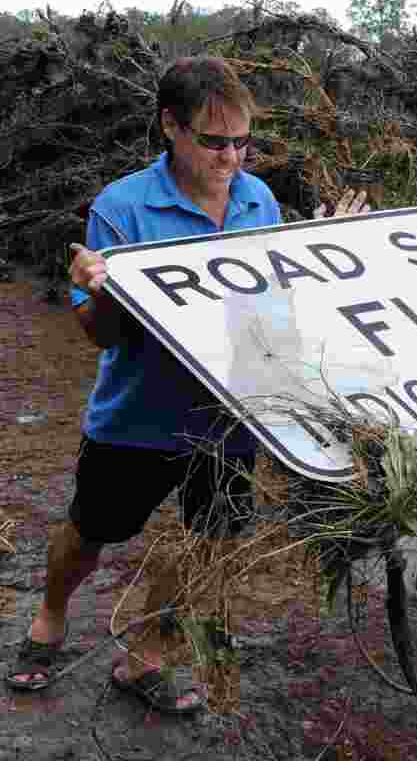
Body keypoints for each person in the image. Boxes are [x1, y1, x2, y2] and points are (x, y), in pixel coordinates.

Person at [5, 57, 369, 711]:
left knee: (210, 544)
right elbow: (105, 336)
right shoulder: (122, 208)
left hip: (231, 417)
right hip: (138, 416)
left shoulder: (257, 200)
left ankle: (146, 655)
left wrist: (322, 256)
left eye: (242, 142)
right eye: (214, 141)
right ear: (171, 126)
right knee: (89, 533)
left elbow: (273, 311)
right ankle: (51, 616)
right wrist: (100, 293)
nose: (231, 157)